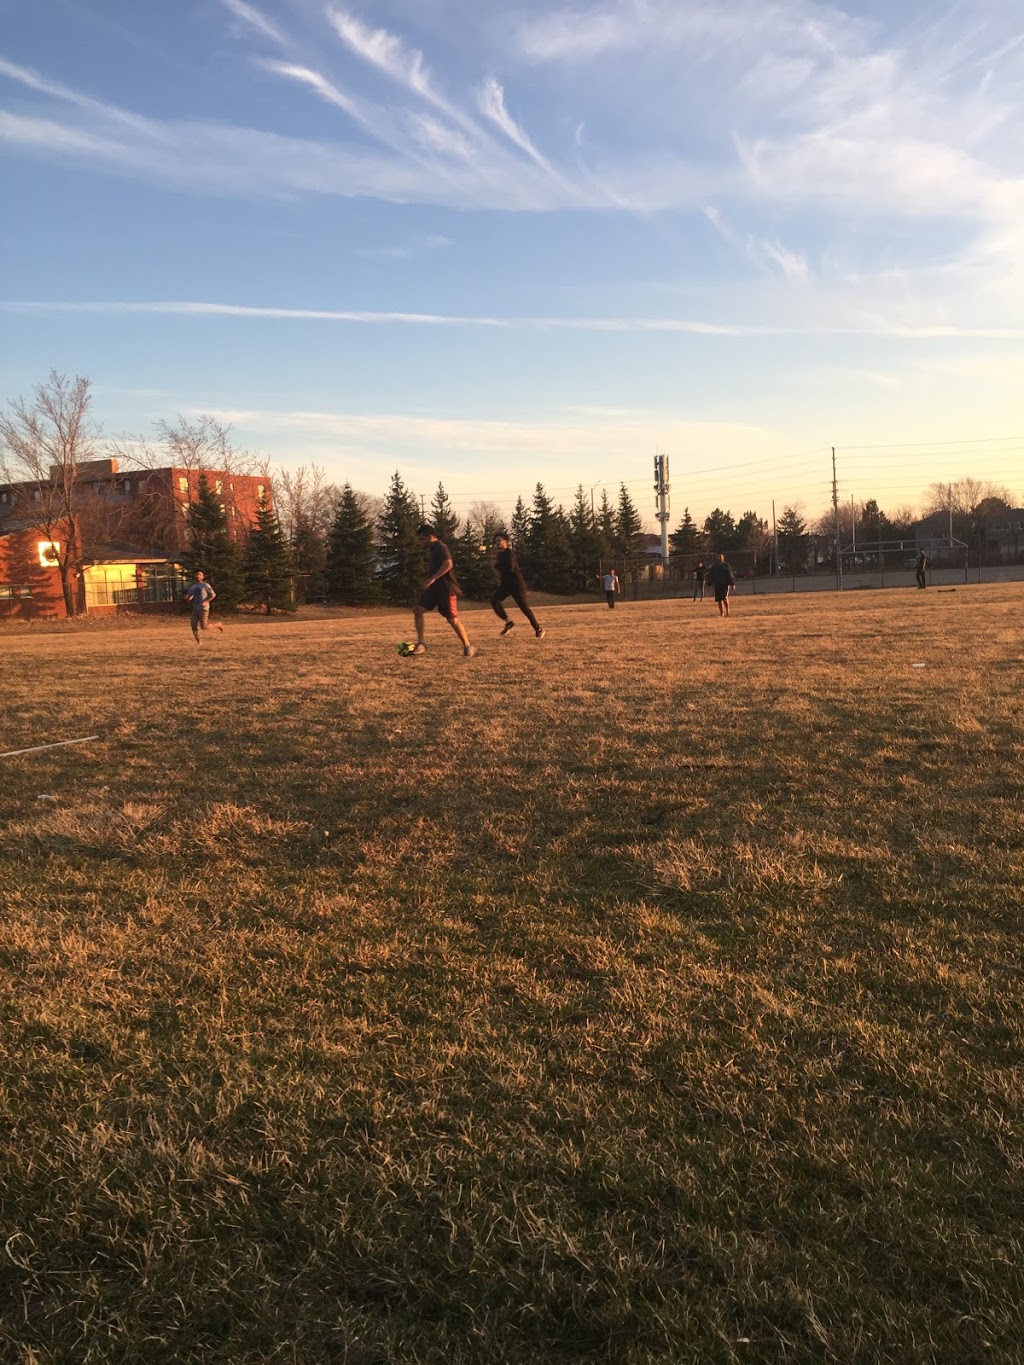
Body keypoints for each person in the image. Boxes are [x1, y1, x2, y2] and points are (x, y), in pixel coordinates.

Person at [411, 524, 476, 657]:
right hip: (434, 589)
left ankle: (468, 646)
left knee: (452, 619)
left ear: (430, 537)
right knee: (418, 609)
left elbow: (448, 564)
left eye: (422, 539)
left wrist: (432, 579)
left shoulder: (441, 547)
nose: (420, 543)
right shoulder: (433, 549)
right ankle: (421, 643)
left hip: (446, 589)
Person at [491, 534, 544, 638]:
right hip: (506, 584)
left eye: (499, 540)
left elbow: (510, 568)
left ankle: (538, 629)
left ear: (505, 541)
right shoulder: (500, 555)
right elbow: (501, 567)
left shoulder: (509, 553)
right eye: (496, 541)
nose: (497, 543)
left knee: (524, 607)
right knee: (494, 601)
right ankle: (508, 622)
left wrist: (496, 566)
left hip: (516, 584)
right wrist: (496, 565)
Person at [184, 570, 224, 644]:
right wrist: (187, 597)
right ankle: (199, 642)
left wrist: (206, 601)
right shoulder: (193, 587)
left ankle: (218, 625)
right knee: (193, 625)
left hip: (203, 609)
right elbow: (190, 597)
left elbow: (213, 595)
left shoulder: (206, 585)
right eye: (196, 574)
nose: (198, 576)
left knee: (204, 627)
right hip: (195, 608)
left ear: (203, 577)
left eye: (199, 574)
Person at [705, 552, 736, 617]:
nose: (719, 558)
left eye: (720, 557)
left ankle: (727, 611)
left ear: (723, 558)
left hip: (725, 584)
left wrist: (732, 584)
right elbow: (711, 576)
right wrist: (708, 584)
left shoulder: (726, 565)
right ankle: (721, 613)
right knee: (719, 600)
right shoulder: (714, 567)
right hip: (717, 584)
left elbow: (730, 575)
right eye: (718, 557)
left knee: (725, 598)